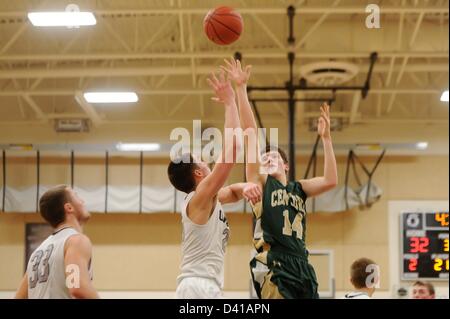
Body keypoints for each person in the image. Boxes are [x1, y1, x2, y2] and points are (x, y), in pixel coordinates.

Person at [221, 58, 338, 299]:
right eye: (264, 158)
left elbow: (330, 180)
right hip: (273, 261)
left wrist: (326, 139)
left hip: (302, 264)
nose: (268, 159)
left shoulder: (299, 189)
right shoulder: (261, 183)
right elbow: (250, 132)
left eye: (274, 156)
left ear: (286, 165)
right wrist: (241, 89)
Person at [168, 70, 262, 299]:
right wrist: (231, 103)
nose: (208, 161)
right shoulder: (200, 195)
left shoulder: (208, 198)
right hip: (197, 286)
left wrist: (245, 188)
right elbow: (232, 150)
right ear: (199, 173)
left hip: (205, 286)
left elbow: (232, 192)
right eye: (203, 160)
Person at [14, 185, 98, 299]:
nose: (83, 201)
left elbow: (18, 297)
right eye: (77, 197)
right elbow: (77, 288)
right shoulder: (76, 241)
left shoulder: (37, 253)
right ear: (69, 207)